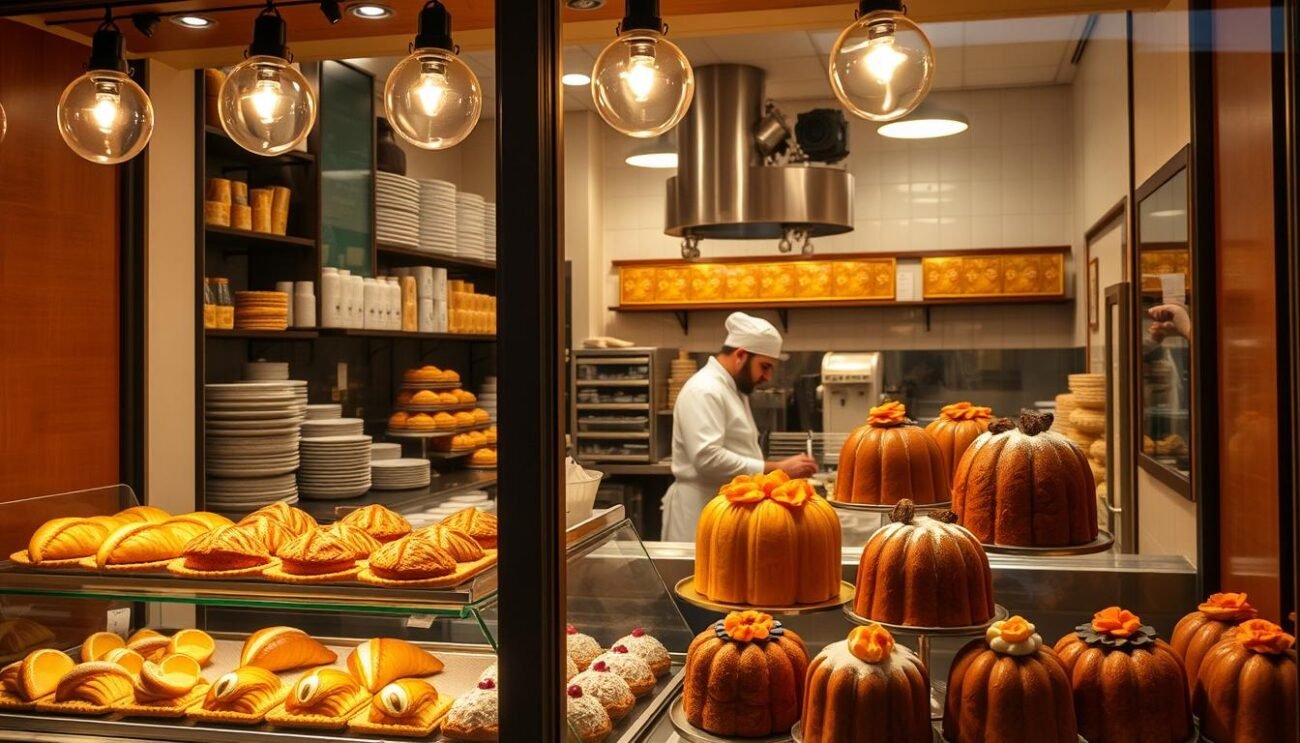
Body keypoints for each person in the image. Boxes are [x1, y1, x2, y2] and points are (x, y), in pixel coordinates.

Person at [660, 312, 818, 541]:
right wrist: (776, 468)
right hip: (700, 513)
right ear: (741, 355)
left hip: (725, 512)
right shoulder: (704, 390)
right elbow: (707, 458)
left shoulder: (732, 389)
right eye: (764, 366)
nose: (767, 376)